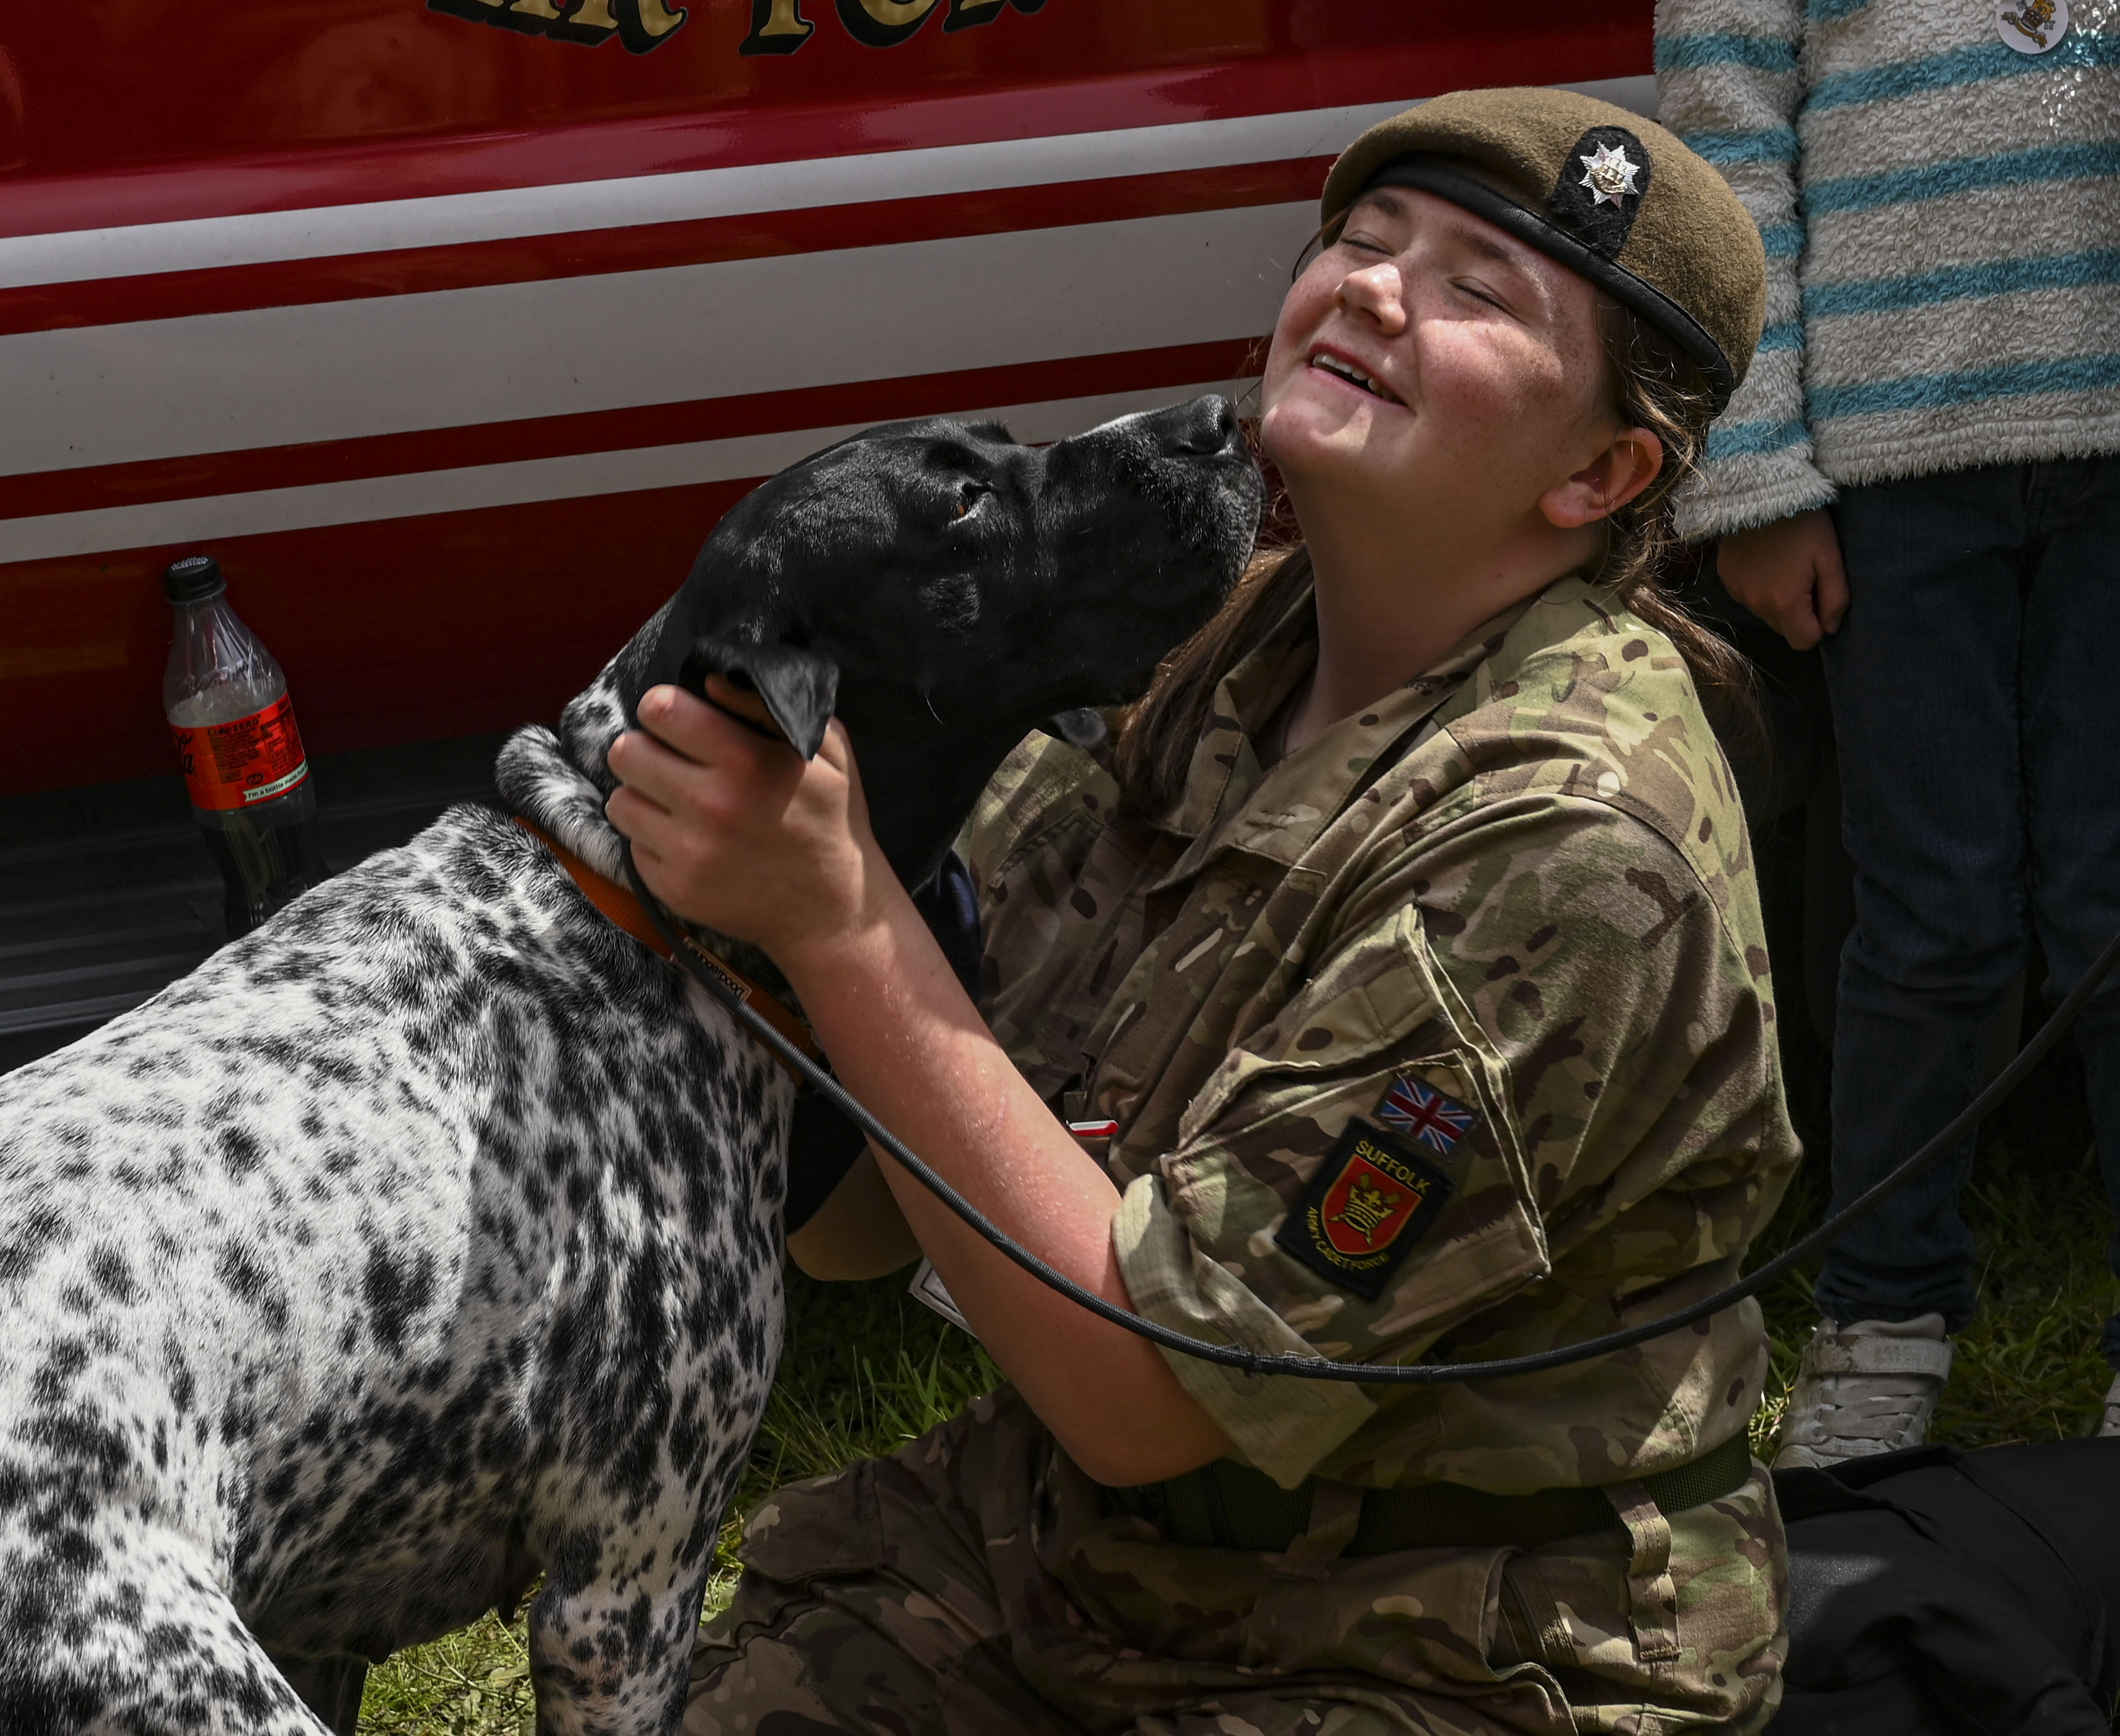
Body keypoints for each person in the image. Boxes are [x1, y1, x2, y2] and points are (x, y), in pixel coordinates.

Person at [609, 88, 1797, 1736]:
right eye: (1361, 244)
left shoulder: (1575, 853)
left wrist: (835, 922)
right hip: (1078, 1566)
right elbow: (858, 1226)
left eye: (1474, 290)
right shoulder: (1206, 659)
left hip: (1441, 1645)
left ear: (1600, 471)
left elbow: (1147, 1392)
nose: (1375, 290)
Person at [1657, 1, 2120, 1467]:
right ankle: (1886, 1311)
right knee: (1930, 915)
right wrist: (1756, 482)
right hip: (1889, 480)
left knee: (2114, 911)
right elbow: (1724, 179)